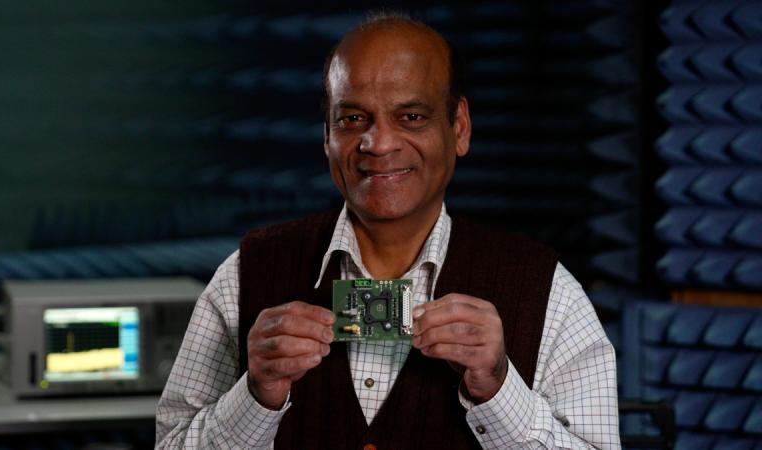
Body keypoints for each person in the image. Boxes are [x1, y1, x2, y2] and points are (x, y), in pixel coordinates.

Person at [156, 12, 619, 450]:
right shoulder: (243, 277)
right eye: (353, 119)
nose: (378, 144)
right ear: (327, 135)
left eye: (411, 117)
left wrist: (499, 391)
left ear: (459, 127)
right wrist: (256, 396)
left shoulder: (546, 291)